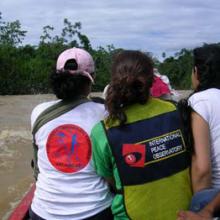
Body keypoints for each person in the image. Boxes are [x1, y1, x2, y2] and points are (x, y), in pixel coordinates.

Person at [91, 50, 192, 219]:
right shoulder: (176, 111)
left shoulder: (103, 131)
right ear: (152, 80)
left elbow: (111, 181)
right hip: (183, 213)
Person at [30, 47, 113, 220]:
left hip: (43, 212)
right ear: (91, 80)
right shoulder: (104, 112)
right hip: (95, 211)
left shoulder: (38, 112)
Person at [186, 44, 220, 213]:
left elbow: (202, 168)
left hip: (214, 195)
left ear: (197, 72)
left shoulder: (201, 101)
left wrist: (203, 211)